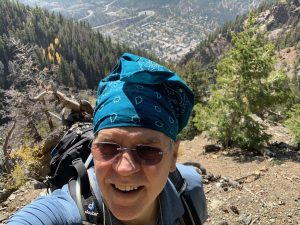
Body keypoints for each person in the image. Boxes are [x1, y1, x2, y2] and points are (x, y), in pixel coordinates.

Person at [6, 53, 207, 225]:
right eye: (109, 147)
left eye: (147, 150)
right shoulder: (69, 211)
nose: (124, 168)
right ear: (93, 148)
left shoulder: (189, 189)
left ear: (173, 156)